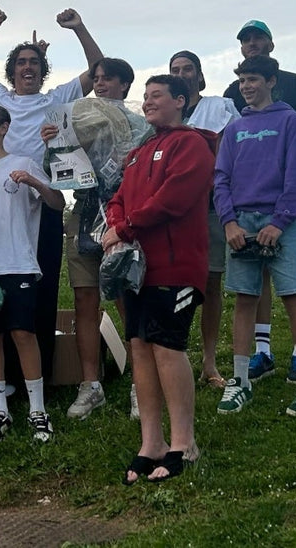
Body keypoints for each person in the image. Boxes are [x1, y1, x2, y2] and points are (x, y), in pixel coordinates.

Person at [0, 6, 104, 391]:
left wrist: (79, 26)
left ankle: (36, 377)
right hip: (0, 209)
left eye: (35, 62)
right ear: (12, 70)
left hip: (44, 204)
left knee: (37, 291)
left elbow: (97, 69)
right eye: (22, 62)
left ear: (43, 71)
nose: (28, 67)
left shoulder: (57, 98)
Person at [102, 74, 214, 483]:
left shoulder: (192, 144)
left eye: (157, 96)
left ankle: (185, 442)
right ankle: (151, 442)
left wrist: (126, 227)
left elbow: (174, 197)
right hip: (137, 270)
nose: (147, 102)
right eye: (145, 96)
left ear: (181, 101)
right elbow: (116, 197)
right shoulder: (138, 151)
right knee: (141, 349)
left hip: (175, 265)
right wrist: (114, 224)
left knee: (168, 347)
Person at [213, 55, 296, 420]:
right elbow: (221, 178)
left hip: (283, 223)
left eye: (253, 78)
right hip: (241, 223)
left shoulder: (291, 121)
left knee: (295, 298)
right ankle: (240, 380)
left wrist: (279, 222)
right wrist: (229, 222)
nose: (246, 85)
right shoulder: (233, 129)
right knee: (245, 299)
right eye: (242, 79)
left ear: (271, 81)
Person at [0, 103, 64, 443]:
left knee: (23, 333)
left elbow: (57, 203)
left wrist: (34, 181)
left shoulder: (24, 163)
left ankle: (38, 411)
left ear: (4, 127)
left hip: (18, 263)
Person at [56, 56, 147, 422]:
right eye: (96, 78)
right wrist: (56, 144)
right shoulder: (75, 119)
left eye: (108, 78)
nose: (100, 83)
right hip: (83, 212)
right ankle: (90, 384)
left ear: (125, 85)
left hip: (123, 216)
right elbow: (61, 173)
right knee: (84, 298)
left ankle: (141, 384)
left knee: (126, 297)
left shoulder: (140, 123)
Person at [168, 50, 240, 390]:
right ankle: (171, 356)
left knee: (211, 281)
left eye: (187, 69)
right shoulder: (165, 110)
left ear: (199, 75)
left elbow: (232, 148)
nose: (181, 73)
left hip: (210, 204)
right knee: (172, 283)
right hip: (174, 208)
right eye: (175, 69)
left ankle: (209, 363)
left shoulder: (220, 106)